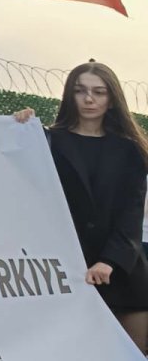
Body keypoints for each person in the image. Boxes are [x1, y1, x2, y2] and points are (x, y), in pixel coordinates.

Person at [47, 62, 148, 352]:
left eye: (98, 92)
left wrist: (110, 261)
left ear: (111, 98)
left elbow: (131, 213)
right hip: (68, 272)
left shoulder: (130, 149)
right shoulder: (48, 140)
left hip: (123, 274)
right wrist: (18, 126)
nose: (89, 99)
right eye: (80, 91)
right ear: (70, 96)